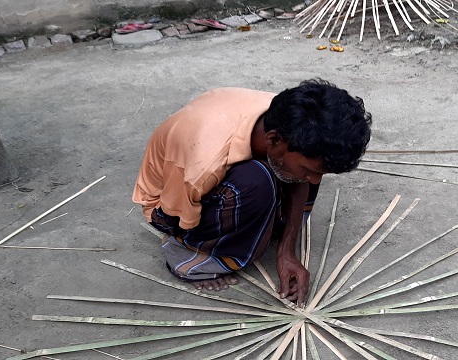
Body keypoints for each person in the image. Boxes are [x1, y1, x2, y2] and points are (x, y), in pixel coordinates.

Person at [132, 79, 372, 307]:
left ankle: (262, 216)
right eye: (310, 171)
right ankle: (186, 258)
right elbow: (176, 222)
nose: (316, 181)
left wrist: (286, 251)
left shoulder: (290, 119)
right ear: (274, 140)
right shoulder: (201, 164)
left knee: (294, 172)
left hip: (223, 161)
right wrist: (196, 242)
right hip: (169, 206)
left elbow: (301, 176)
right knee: (258, 182)